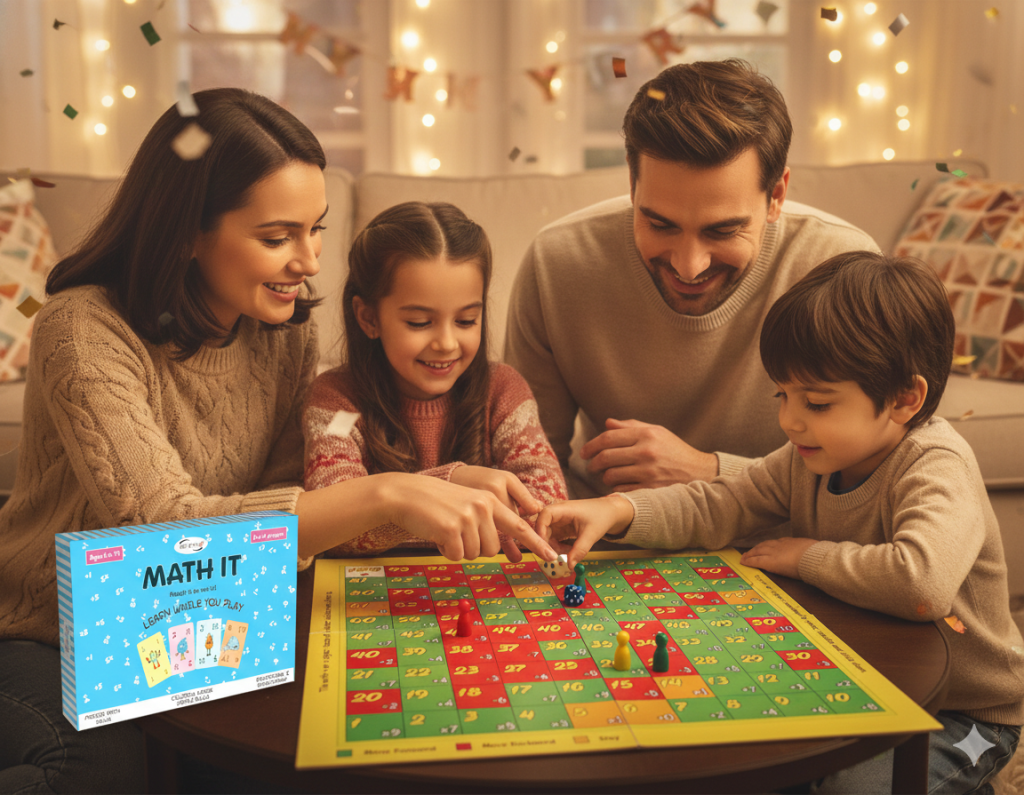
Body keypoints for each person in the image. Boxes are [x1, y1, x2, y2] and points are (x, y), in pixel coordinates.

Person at [0, 88, 555, 794]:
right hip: (51, 629)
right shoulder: (82, 329)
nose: (310, 261)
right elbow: (160, 528)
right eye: (277, 238)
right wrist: (392, 491)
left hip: (201, 623)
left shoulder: (285, 334)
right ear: (187, 232)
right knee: (102, 773)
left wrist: (438, 485)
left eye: (315, 230)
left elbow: (292, 520)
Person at [535, 252, 1024, 794]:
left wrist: (803, 555)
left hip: (960, 709)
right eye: (782, 395)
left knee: (847, 791)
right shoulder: (808, 458)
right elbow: (721, 503)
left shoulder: (936, 465)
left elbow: (921, 585)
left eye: (816, 403)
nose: (789, 420)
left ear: (904, 399)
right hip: (868, 680)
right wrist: (618, 510)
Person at [504, 58, 880, 499]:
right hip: (603, 527)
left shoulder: (843, 269)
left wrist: (708, 473)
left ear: (776, 195)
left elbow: (876, 481)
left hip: (781, 534)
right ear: (632, 183)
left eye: (722, 231)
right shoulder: (557, 263)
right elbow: (524, 469)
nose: (689, 266)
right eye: (660, 225)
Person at [303, 201, 567, 559]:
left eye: (466, 321)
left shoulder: (503, 391)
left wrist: (397, 513)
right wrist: (451, 482)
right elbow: (330, 523)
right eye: (419, 323)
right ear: (368, 318)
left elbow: (547, 509)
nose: (446, 343)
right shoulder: (339, 405)